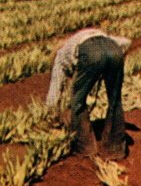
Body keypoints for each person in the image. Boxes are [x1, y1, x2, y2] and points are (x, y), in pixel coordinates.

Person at [46, 28, 132, 159]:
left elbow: (55, 89)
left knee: (77, 100)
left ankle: (84, 147)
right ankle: (115, 149)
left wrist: (50, 113)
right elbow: (126, 42)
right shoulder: (81, 39)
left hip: (92, 53)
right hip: (114, 50)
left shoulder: (60, 58)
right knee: (115, 100)